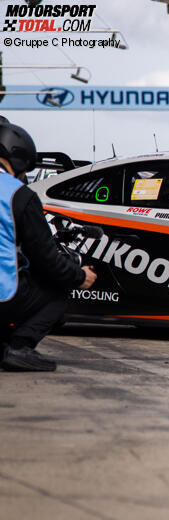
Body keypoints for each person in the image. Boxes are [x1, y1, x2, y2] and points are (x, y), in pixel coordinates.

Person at [0, 123, 96, 371]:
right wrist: (79, 275)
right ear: (19, 161)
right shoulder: (18, 195)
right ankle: (19, 347)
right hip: (3, 298)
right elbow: (46, 260)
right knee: (58, 285)